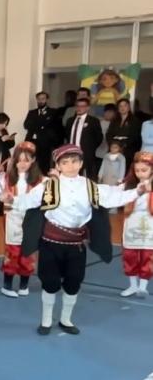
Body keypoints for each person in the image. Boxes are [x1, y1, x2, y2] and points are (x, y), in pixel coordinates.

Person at [9, 144, 147, 335]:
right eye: (65, 163)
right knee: (50, 282)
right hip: (51, 243)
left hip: (76, 245)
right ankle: (46, 320)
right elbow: (28, 201)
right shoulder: (48, 185)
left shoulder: (90, 186)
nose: (71, 166)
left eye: (75, 161)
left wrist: (137, 192)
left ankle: (66, 319)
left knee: (74, 282)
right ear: (58, 166)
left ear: (81, 163)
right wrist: (11, 200)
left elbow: (112, 197)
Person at [0, 142, 43, 297]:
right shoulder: (6, 179)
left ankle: (24, 285)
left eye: (26, 160)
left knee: (28, 252)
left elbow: (38, 199)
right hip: (12, 220)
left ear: (33, 160)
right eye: (19, 160)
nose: (22, 164)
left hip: (31, 220)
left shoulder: (41, 181)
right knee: (12, 252)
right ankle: (7, 285)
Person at [119, 152, 153, 297]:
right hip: (132, 223)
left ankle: (142, 287)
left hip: (149, 224)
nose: (140, 173)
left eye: (144, 170)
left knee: (148, 256)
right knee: (130, 255)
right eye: (137, 170)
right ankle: (133, 285)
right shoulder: (129, 186)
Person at [24, 91, 62, 174]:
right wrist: (41, 124)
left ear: (46, 99)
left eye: (43, 99)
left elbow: (54, 127)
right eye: (39, 99)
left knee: (44, 165)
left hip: (45, 143)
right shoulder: (32, 112)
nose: (41, 101)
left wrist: (38, 123)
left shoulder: (53, 112)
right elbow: (26, 125)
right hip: (32, 142)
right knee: (30, 163)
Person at [65, 97, 103, 180]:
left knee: (90, 175)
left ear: (88, 108)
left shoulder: (93, 121)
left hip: (87, 153)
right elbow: (67, 135)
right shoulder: (70, 120)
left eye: (82, 106)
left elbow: (99, 137)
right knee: (72, 174)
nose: (79, 108)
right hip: (72, 152)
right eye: (78, 106)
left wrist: (90, 148)